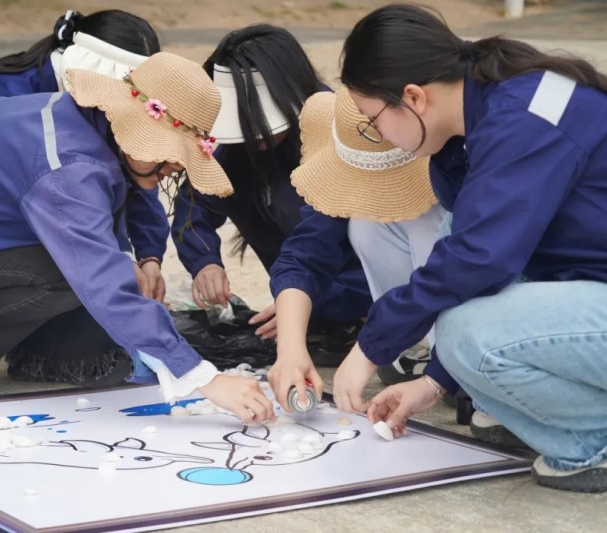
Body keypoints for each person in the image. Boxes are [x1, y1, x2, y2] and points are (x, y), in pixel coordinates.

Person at [0, 51, 276, 426]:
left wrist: (142, 256)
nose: (173, 168)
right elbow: (96, 275)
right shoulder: (69, 169)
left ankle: (36, 351)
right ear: (134, 129)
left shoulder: (92, 125)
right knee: (65, 273)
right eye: (171, 155)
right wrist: (202, 377)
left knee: (98, 339)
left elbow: (130, 194)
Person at [332, 4, 607, 492]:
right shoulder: (491, 111)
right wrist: (434, 382)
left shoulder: (524, 119)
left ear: (413, 97)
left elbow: (481, 258)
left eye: (374, 120)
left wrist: (369, 347)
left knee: (465, 332)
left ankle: (593, 441)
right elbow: (490, 252)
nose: (382, 137)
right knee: (463, 333)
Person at [0, 9, 170, 299]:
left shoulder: (100, 106)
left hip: (16, 221)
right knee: (79, 275)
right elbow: (42, 199)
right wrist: (115, 255)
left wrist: (148, 256)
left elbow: (132, 168)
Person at [171, 24, 371, 361]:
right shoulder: (236, 147)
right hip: (299, 292)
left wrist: (304, 301)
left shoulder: (342, 140)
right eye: (243, 124)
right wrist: (203, 261)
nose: (255, 136)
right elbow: (195, 200)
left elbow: (341, 248)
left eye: (259, 124)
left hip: (359, 293)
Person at [267, 86, 441, 413]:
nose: (369, 191)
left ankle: (452, 355)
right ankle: (418, 343)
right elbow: (306, 254)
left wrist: (372, 347)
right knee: (365, 223)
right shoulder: (357, 162)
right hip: (412, 312)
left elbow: (464, 268)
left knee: (424, 225)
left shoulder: (459, 170)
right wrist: (290, 350)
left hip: (483, 310)